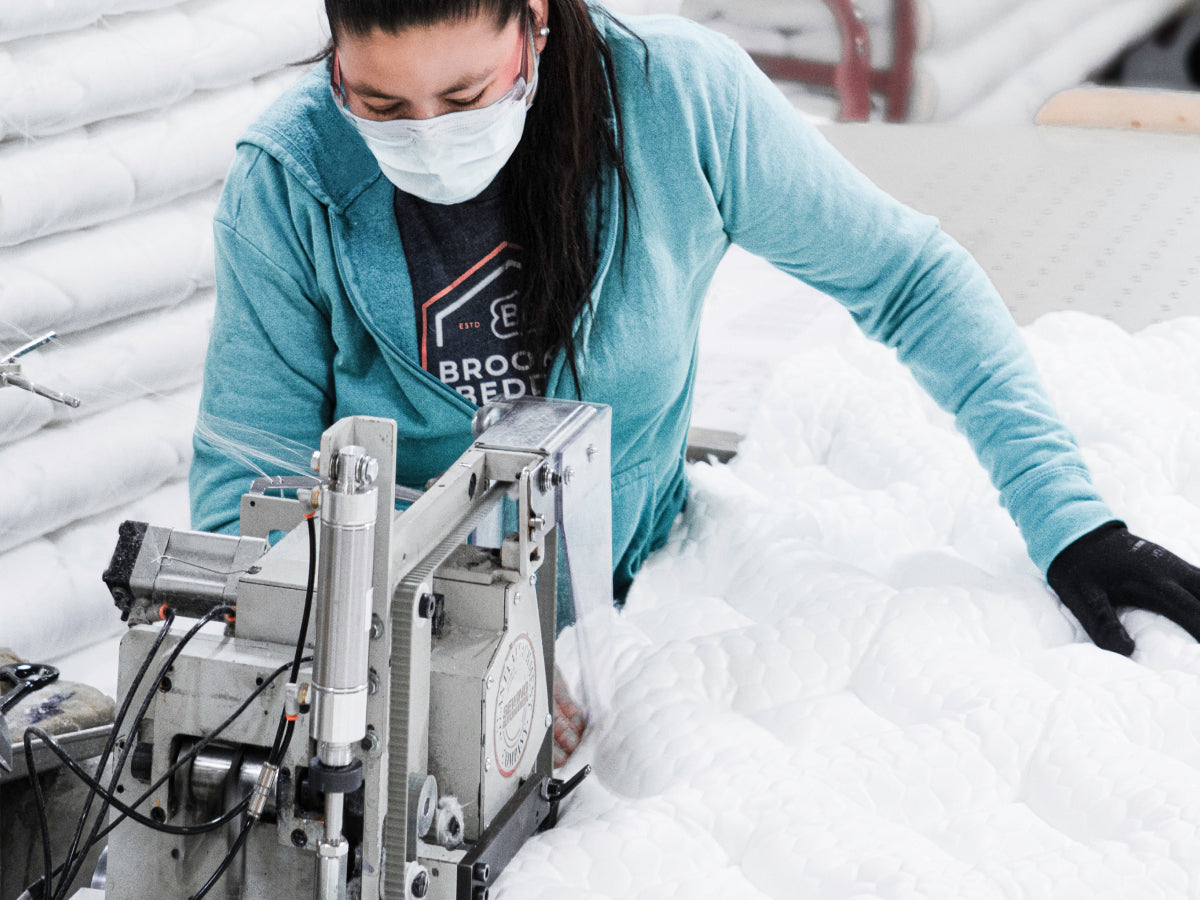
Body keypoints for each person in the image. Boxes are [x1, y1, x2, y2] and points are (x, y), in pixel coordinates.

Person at [190, 0, 1200, 762]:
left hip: (639, 587)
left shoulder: (675, 103)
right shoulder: (293, 182)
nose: (430, 134)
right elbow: (250, 488)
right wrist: (428, 673)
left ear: (535, 22)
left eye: (463, 98)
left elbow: (911, 277)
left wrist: (1072, 521)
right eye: (381, 103)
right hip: (397, 622)